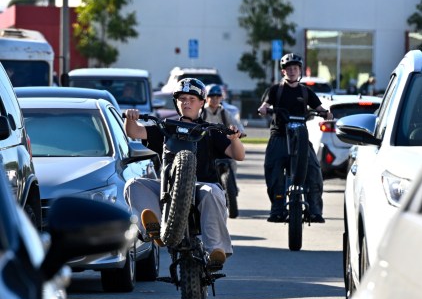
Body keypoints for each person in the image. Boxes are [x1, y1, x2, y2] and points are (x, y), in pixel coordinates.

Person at [123, 78, 245, 266]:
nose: (186, 102)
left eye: (192, 98)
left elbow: (238, 155)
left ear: (202, 102)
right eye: (182, 98)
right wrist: (131, 118)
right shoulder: (166, 127)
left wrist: (235, 138)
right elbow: (135, 132)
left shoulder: (209, 131)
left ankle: (215, 250)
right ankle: (155, 229)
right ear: (176, 102)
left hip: (201, 188)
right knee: (133, 184)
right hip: (167, 189)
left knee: (213, 192)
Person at [257, 53, 332, 223]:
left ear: (300, 71)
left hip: (301, 138)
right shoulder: (275, 90)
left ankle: (314, 210)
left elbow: (319, 108)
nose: (292, 71)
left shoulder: (306, 92)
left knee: (314, 169)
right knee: (273, 170)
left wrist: (325, 113)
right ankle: (277, 209)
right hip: (280, 136)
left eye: (295, 68)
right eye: (288, 69)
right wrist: (263, 109)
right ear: (283, 71)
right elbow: (264, 105)